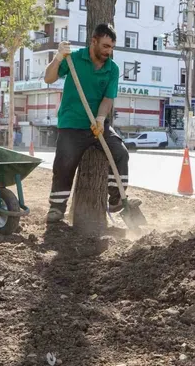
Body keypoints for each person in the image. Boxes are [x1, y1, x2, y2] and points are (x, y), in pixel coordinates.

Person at [43, 23, 130, 223]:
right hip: (71, 124)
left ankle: (117, 199)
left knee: (120, 153)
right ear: (93, 41)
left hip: (97, 125)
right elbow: (49, 78)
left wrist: (100, 119)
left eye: (111, 47)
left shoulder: (112, 69)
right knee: (64, 164)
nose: (109, 51)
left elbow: (108, 99)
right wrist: (58, 58)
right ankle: (57, 207)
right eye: (105, 46)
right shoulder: (74, 59)